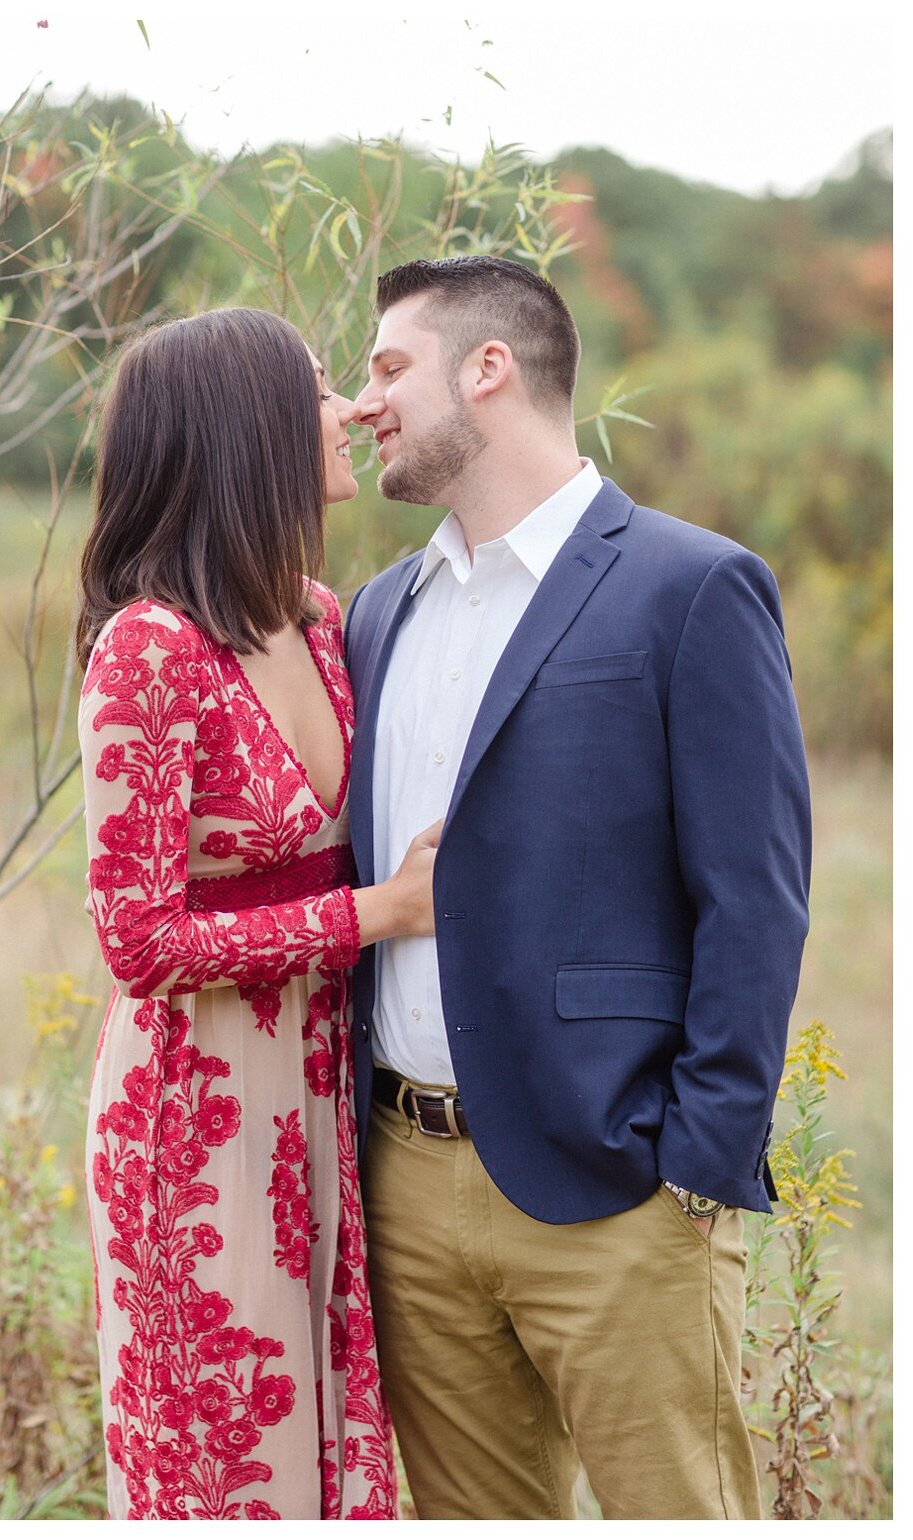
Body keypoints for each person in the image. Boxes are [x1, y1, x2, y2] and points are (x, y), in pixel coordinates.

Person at [342, 256, 810, 1519]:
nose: (361, 399)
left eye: (388, 367)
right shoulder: (375, 614)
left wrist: (697, 1161)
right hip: (401, 1183)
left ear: (486, 369)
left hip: (616, 1192)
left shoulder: (688, 586)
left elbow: (755, 895)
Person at [76, 306, 441, 1519]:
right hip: (195, 1114)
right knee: (230, 1463)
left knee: (333, 1445)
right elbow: (138, 941)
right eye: (320, 388)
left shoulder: (321, 619)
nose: (346, 411)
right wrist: (374, 915)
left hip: (321, 1089)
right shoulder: (149, 648)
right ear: (248, 430)